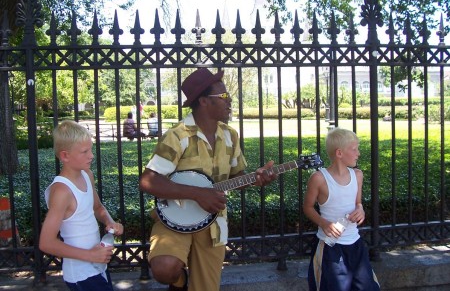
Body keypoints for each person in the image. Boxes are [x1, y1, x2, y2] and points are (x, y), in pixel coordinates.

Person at [139, 68, 277, 291]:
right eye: (223, 96)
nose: (230, 100)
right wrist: (197, 194)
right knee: (165, 269)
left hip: (213, 221)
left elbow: (236, 177)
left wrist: (256, 179)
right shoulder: (178, 136)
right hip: (174, 216)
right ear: (203, 101)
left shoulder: (230, 135)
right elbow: (148, 181)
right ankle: (180, 281)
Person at [39, 120, 124, 290]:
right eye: (84, 151)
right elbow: (46, 242)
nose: (91, 155)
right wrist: (90, 255)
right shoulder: (62, 191)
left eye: (90, 149)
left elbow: (98, 208)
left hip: (98, 266)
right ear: (65, 156)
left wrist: (109, 222)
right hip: (80, 274)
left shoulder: (87, 175)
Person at [303, 127, 380, 291]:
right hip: (330, 248)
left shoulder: (357, 175)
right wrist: (324, 224)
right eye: (354, 149)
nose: (358, 153)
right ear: (339, 153)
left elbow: (358, 202)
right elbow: (308, 207)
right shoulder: (319, 178)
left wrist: (361, 210)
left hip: (356, 245)